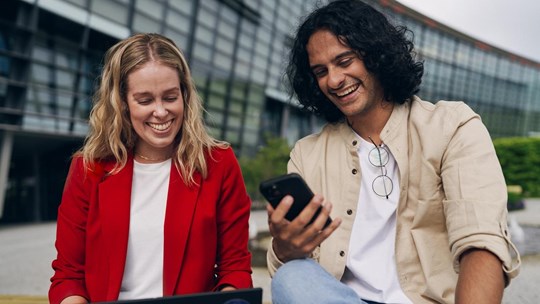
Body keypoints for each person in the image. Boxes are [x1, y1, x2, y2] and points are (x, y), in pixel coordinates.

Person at [266, 0, 521, 303]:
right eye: (321, 71)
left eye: (345, 61)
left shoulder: (452, 126)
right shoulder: (307, 154)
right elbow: (288, 272)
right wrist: (286, 246)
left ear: (375, 56)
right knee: (292, 276)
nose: (334, 80)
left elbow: (481, 243)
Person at [49, 33, 253, 304]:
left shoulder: (219, 164)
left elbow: (234, 269)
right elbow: (68, 275)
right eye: (145, 101)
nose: (160, 112)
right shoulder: (88, 169)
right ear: (122, 103)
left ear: (185, 94)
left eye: (170, 97)